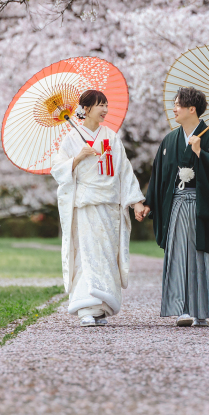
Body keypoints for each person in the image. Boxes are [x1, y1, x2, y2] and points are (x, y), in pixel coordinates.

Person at [51, 89, 146, 327]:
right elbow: (58, 170)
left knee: (105, 256)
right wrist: (78, 158)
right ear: (86, 108)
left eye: (106, 104)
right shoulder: (72, 139)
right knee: (87, 256)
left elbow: (124, 171)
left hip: (110, 207)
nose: (104, 109)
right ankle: (85, 307)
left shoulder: (111, 137)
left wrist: (136, 202)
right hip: (86, 206)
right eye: (100, 104)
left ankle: (101, 307)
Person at [139, 87, 209, 327]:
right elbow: (159, 174)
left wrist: (201, 153)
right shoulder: (170, 139)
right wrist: (148, 202)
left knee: (201, 257)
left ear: (192, 109)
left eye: (178, 104)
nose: (174, 109)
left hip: (202, 207)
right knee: (179, 256)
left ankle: (202, 311)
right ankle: (182, 309)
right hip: (176, 206)